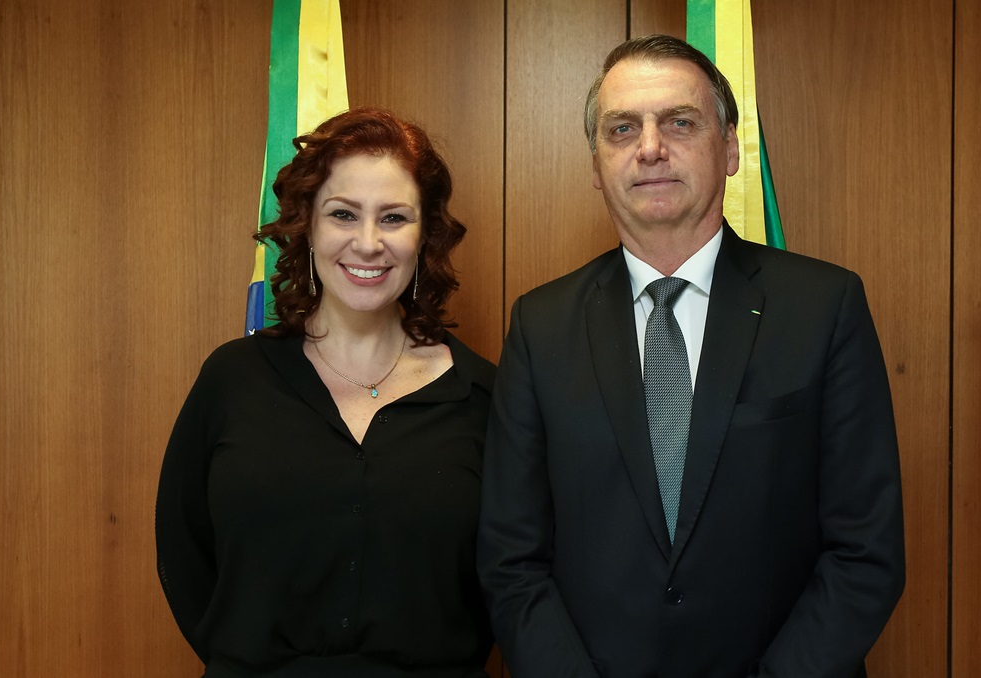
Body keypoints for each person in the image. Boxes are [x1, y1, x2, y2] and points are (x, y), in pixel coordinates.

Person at [477, 35, 905, 678]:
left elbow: (865, 551)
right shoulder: (540, 325)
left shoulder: (825, 306)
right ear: (597, 164)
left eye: (680, 122)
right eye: (623, 128)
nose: (650, 147)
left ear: (730, 148)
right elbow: (511, 560)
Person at [156, 107, 495, 678]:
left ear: (425, 235)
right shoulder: (232, 381)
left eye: (393, 217)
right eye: (343, 214)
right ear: (307, 225)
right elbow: (185, 554)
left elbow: (510, 579)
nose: (368, 243)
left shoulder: (485, 398)